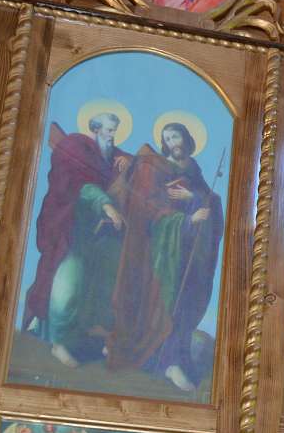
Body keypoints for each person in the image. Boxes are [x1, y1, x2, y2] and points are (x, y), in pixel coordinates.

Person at [105, 121, 223, 393]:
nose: (173, 143)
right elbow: (150, 210)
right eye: (168, 138)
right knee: (165, 304)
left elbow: (211, 204)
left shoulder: (193, 170)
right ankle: (167, 362)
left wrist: (193, 198)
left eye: (176, 136)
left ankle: (175, 359)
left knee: (185, 305)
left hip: (188, 253)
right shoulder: (155, 168)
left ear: (187, 139)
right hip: (160, 253)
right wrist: (186, 220)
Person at [22, 112, 131, 367]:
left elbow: (125, 173)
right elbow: (77, 184)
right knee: (67, 289)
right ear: (95, 128)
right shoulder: (76, 146)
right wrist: (105, 204)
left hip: (100, 236)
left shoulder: (111, 155)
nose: (112, 136)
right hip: (70, 230)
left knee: (97, 291)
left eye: (115, 130)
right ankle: (58, 343)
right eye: (109, 130)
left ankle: (80, 341)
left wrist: (127, 163)